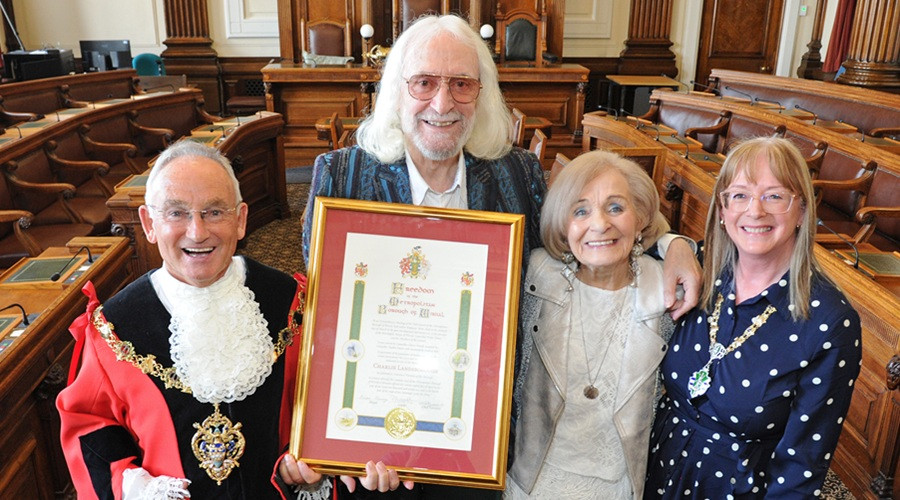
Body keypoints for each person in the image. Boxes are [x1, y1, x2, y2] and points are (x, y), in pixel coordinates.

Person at [302, 13, 701, 499]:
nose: (443, 103)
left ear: (483, 94)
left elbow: (587, 230)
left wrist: (673, 243)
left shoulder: (517, 174)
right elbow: (325, 317)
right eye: (424, 83)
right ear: (396, 91)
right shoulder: (340, 177)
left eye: (463, 84)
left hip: (483, 436)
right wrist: (343, 440)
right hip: (376, 441)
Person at [57, 141, 403, 499]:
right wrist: (135, 486)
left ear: (240, 220)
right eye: (176, 213)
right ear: (149, 223)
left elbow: (325, 405)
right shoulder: (112, 327)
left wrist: (304, 463)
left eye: (214, 212)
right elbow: (90, 425)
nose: (197, 232)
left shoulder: (293, 303)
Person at [644, 137, 862, 498]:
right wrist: (677, 244)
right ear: (722, 208)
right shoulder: (702, 266)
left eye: (774, 196)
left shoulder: (829, 322)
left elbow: (802, 465)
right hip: (656, 469)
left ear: (803, 210)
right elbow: (630, 237)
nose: (755, 211)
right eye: (740, 195)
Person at [506, 150, 672, 499]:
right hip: (535, 482)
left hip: (621, 486)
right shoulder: (535, 274)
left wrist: (677, 245)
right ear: (563, 227)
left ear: (640, 216)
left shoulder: (667, 292)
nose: (599, 224)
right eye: (580, 211)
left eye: (616, 207)